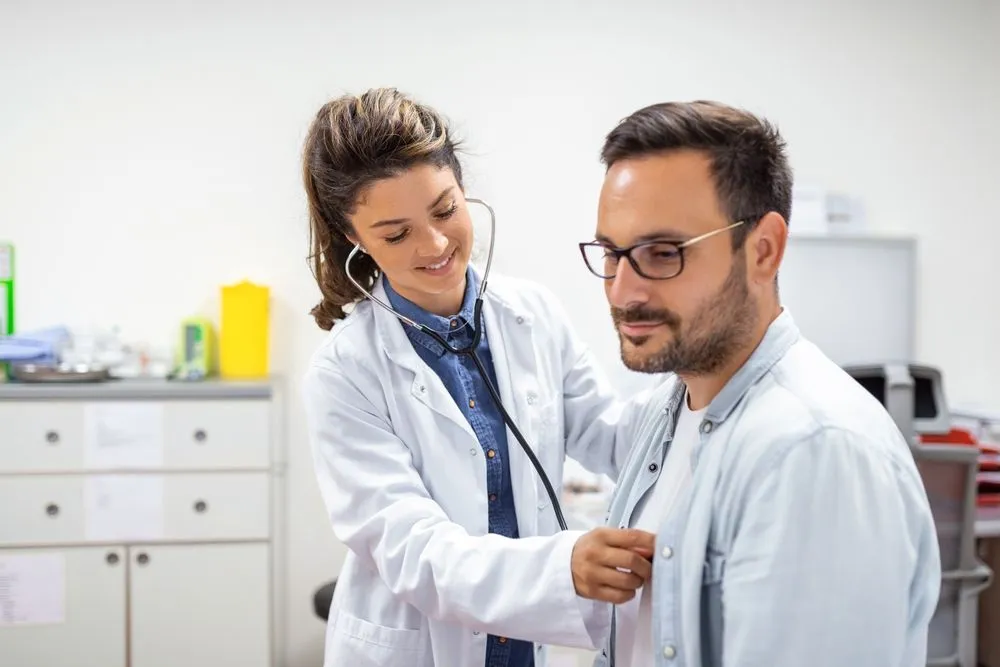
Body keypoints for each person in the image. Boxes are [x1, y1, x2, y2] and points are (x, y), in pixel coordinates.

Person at [577, 100, 942, 667]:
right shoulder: (671, 408)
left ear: (763, 250)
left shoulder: (811, 451)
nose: (623, 291)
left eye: (663, 253)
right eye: (611, 253)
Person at [299, 87, 654, 667]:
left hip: (522, 644)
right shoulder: (344, 372)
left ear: (463, 190)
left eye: (445, 210)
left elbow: (613, 436)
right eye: (396, 234)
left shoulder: (533, 315)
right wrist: (560, 569)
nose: (435, 244)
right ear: (353, 237)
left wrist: (697, 370)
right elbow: (414, 551)